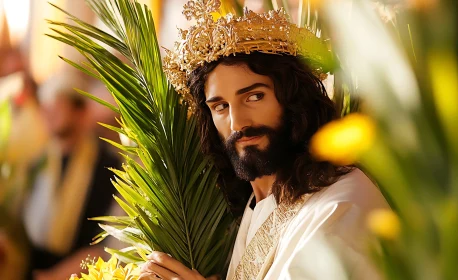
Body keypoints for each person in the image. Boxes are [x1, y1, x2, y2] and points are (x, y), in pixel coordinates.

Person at [139, 1, 388, 279]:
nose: (237, 122)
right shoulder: (257, 203)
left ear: (294, 99)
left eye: (254, 96)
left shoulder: (340, 205)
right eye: (220, 106)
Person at [23, 74, 121, 280]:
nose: (48, 112)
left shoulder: (107, 166)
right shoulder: (39, 161)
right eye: (45, 106)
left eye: (57, 104)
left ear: (80, 111)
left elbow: (106, 241)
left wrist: (56, 275)